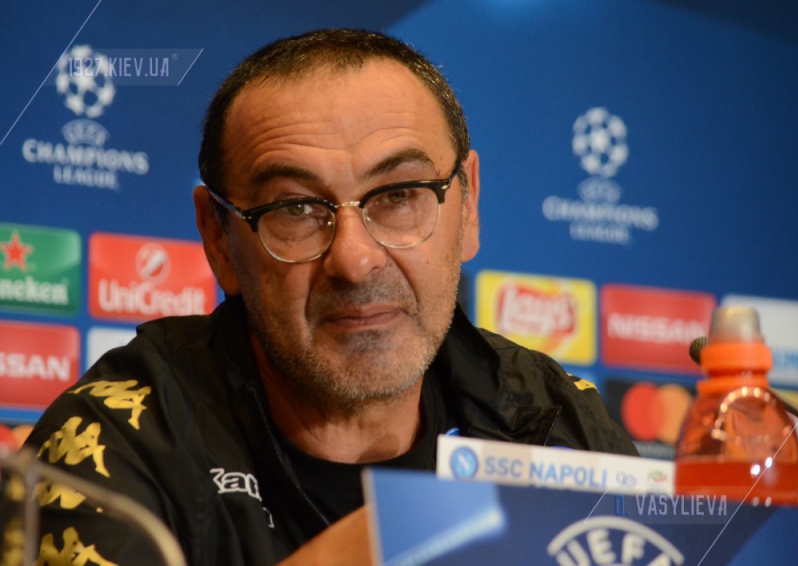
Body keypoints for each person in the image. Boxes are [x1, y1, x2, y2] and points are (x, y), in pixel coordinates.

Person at [25, 28, 637, 565]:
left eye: (398, 196)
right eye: (296, 208)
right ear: (217, 236)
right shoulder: (115, 445)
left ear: (468, 205)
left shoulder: (557, 423)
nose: (354, 259)